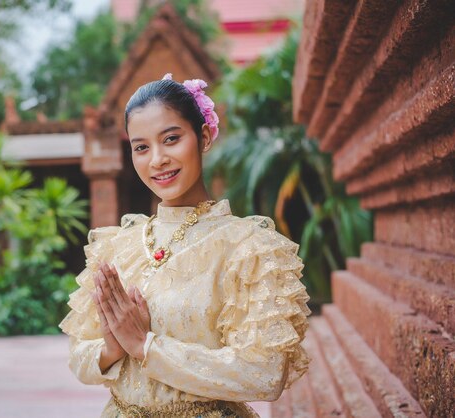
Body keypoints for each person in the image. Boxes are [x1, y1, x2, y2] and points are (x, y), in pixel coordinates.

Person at [58, 73, 311, 417]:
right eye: (141, 147)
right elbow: (78, 356)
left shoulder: (248, 248)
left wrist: (146, 346)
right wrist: (112, 350)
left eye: (171, 139)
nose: (157, 159)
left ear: (203, 137)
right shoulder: (116, 246)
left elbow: (264, 372)